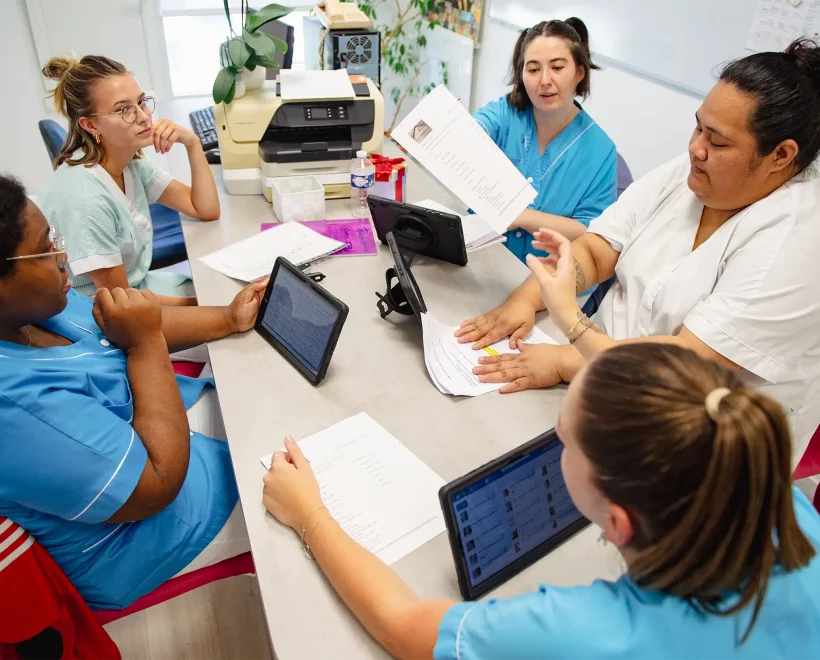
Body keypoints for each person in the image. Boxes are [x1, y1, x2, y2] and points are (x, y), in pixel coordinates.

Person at [262, 343, 820, 658]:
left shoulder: (586, 633)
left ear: (618, 523)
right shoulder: (784, 509)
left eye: (564, 442)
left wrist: (309, 514)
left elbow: (403, 627)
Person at [457, 38, 820, 462]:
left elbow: (685, 368)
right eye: (697, 126)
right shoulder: (691, 172)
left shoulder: (797, 239)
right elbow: (595, 252)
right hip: (598, 372)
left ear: (781, 155)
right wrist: (525, 300)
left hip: (702, 443)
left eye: (718, 142)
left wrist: (568, 346)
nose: (695, 148)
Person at [0, 175, 262, 610]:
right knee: (319, 480)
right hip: (144, 532)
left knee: (282, 398)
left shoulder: (29, 315)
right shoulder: (15, 408)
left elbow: (126, 319)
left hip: (168, 434)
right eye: (47, 248)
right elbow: (156, 485)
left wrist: (228, 319)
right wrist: (144, 346)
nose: (64, 256)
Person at [37, 55, 220, 302]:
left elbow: (205, 208)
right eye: (123, 109)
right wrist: (205, 305)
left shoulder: (128, 163)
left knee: (217, 290)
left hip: (136, 288)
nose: (144, 117)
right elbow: (124, 307)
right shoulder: (84, 199)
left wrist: (192, 143)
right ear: (90, 125)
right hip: (102, 318)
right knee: (221, 305)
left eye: (142, 102)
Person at [472, 19, 617, 263]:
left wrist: (521, 216)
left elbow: (592, 233)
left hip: (543, 280)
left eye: (557, 67)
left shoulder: (601, 152)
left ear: (579, 72)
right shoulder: (505, 113)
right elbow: (471, 132)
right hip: (480, 260)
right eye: (533, 69)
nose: (545, 80)